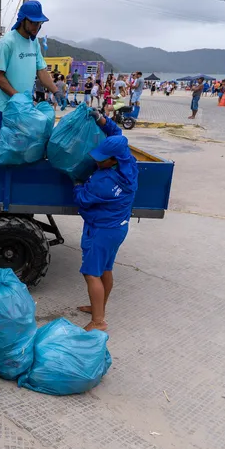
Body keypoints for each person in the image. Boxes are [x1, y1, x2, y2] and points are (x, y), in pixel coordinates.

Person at [74, 109, 136, 332]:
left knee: (91, 273)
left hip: (102, 229)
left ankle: (98, 321)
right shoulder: (128, 163)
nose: (97, 162)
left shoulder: (104, 182)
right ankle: (98, 307)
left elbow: (83, 200)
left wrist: (77, 184)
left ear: (113, 160)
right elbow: (117, 133)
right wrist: (100, 118)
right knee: (105, 269)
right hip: (117, 227)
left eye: (102, 160)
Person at [0, 0, 58, 140]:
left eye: (39, 23)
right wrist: (18, 97)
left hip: (22, 106)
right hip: (2, 105)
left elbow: (41, 70)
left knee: (19, 145)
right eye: (33, 22)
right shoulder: (8, 42)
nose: (37, 27)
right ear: (22, 20)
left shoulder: (34, 42)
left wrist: (56, 91)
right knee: (4, 146)